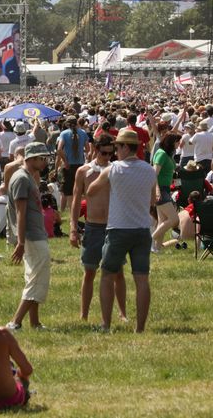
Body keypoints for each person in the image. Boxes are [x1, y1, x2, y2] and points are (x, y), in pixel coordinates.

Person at [87, 128, 157, 332]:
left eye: (117, 147)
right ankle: (140, 328)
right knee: (142, 279)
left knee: (107, 275)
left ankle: (106, 324)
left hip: (118, 228)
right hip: (142, 229)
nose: (115, 151)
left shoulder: (113, 169)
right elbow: (152, 200)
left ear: (125, 147)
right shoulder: (149, 169)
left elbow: (91, 191)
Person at [70, 135, 128, 323]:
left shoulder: (116, 170)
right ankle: (83, 315)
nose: (107, 157)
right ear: (95, 149)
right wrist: (73, 228)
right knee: (89, 271)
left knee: (117, 272)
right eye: (104, 153)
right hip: (93, 226)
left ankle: (122, 313)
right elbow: (76, 200)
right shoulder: (83, 171)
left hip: (113, 225)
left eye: (111, 153)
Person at [8, 142, 51, 330]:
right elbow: (20, 212)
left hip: (35, 233)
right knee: (37, 279)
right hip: (31, 236)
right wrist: (21, 241)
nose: (44, 162)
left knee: (35, 276)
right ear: (31, 158)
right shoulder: (21, 179)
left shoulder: (29, 177)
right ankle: (15, 322)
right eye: (42, 158)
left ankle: (34, 322)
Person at [151, 133, 179, 252]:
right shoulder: (161, 153)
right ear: (171, 143)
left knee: (162, 221)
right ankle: (149, 240)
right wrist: (157, 190)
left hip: (166, 188)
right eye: (177, 142)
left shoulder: (168, 155)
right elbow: (154, 174)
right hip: (160, 189)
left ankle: (156, 249)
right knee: (174, 220)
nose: (179, 144)